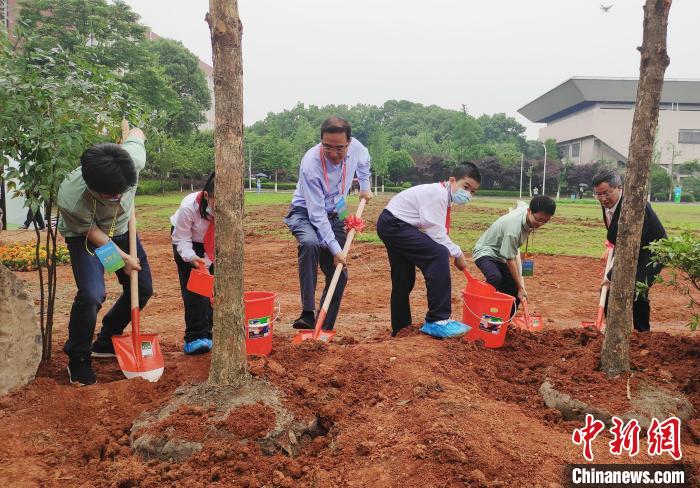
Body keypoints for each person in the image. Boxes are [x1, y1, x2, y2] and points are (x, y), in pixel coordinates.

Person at [57, 125, 152, 386]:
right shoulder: (71, 198)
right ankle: (78, 358)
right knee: (91, 294)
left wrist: (133, 131)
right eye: (111, 195)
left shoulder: (132, 160)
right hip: (87, 234)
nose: (119, 197)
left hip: (121, 229)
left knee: (142, 289)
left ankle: (107, 339)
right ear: (91, 187)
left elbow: (137, 133)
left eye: (123, 190)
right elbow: (94, 236)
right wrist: (121, 261)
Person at [285, 116, 372, 331]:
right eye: (327, 147)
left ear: (349, 143)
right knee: (311, 243)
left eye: (339, 149)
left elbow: (364, 162)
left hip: (336, 209)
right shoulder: (310, 164)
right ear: (321, 142)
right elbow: (316, 214)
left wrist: (365, 185)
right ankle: (307, 313)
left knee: (339, 274)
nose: (333, 154)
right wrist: (334, 247)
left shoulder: (358, 149)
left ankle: (324, 329)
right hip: (304, 212)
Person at [377, 163, 482, 338]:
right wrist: (457, 253)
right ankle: (437, 320)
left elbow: (434, 229)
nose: (468, 194)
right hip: (395, 224)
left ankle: (401, 328)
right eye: (466, 187)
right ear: (452, 180)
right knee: (438, 254)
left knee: (403, 278)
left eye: (473, 191)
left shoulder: (443, 195)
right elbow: (435, 232)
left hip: (392, 223)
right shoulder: (438, 195)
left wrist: (454, 251)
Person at [592, 169, 667, 332]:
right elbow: (617, 236)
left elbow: (632, 245)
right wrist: (610, 249)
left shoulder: (635, 206)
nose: (603, 199)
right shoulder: (609, 204)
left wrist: (611, 275)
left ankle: (642, 333)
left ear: (619, 187)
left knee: (637, 288)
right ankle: (612, 331)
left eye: (606, 193)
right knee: (607, 289)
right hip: (630, 248)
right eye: (598, 194)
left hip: (653, 250)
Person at [472, 196, 556, 312]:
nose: (540, 223)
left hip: (502, 255)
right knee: (495, 278)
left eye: (545, 221)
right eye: (538, 219)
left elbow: (521, 203)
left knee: (515, 293)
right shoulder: (513, 230)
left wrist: (518, 289)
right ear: (529, 212)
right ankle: (478, 306)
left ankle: (503, 324)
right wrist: (521, 287)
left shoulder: (527, 210)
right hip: (486, 251)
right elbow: (509, 260)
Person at [171, 172, 215, 355]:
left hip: (212, 245)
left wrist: (209, 259)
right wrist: (192, 257)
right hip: (188, 243)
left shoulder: (232, 209)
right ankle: (194, 337)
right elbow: (181, 238)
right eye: (216, 201)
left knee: (212, 289)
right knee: (195, 290)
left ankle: (209, 333)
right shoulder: (189, 207)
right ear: (206, 195)